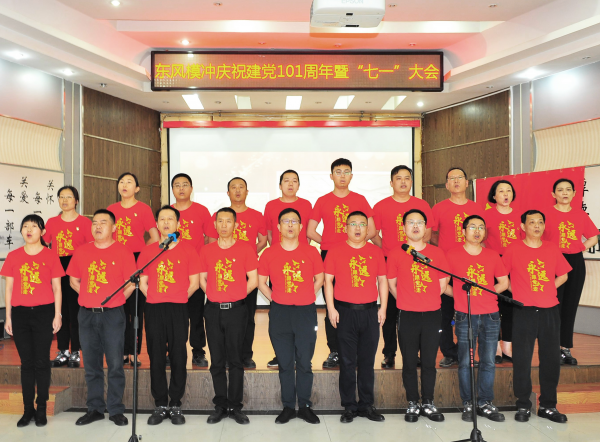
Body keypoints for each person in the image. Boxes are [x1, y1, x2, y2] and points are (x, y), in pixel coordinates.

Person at [67, 209, 137, 427]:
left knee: (115, 364)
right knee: (91, 364)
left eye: (103, 222)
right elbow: (73, 280)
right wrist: (89, 298)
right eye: (94, 222)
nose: (97, 226)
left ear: (114, 227)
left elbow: (131, 283)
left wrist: (117, 300)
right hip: (86, 315)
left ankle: (115, 409)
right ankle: (95, 408)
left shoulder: (123, 251)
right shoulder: (82, 251)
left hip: (113, 315)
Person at [502, 210, 571, 423]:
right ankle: (523, 404)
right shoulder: (513, 249)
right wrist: (517, 293)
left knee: (550, 359)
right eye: (532, 222)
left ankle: (548, 405)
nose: (537, 226)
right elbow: (502, 277)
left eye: (540, 222)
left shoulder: (551, 248)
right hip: (525, 311)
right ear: (523, 226)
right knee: (522, 358)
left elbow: (564, 275)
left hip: (550, 310)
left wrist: (548, 288)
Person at [308, 158, 375, 369]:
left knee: (353, 302)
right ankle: (335, 350)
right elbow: (310, 231)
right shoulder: (322, 200)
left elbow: (372, 230)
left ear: (351, 176)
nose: (342, 175)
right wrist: (329, 244)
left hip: (356, 255)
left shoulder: (360, 199)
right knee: (333, 304)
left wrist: (355, 244)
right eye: (338, 172)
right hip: (330, 255)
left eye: (346, 172)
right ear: (331, 176)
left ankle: (356, 349)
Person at [258, 208, 324, 424]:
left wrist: (308, 295)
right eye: (285, 221)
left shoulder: (311, 251)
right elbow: (261, 281)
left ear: (301, 226)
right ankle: (288, 406)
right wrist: (275, 299)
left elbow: (320, 278)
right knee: (285, 362)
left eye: (294, 221)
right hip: (280, 313)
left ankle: (304, 406)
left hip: (305, 312)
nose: (290, 225)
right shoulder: (269, 253)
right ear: (278, 227)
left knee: (304, 362)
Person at [138, 206, 200, 425]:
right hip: (154, 308)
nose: (166, 223)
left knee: (178, 354)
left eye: (170, 219)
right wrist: (155, 297)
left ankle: (175, 403)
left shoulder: (189, 250)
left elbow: (194, 283)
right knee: (155, 355)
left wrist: (179, 298)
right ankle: (160, 404)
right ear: (156, 224)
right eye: (162, 219)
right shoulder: (148, 251)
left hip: (178, 308)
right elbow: (142, 283)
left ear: (178, 224)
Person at [324, 211, 387, 423]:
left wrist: (383, 308)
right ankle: (349, 406)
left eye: (362, 224)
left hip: (369, 312)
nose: (358, 228)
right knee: (347, 361)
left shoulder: (375, 251)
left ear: (368, 229)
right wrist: (331, 308)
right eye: (353, 224)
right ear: (346, 228)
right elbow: (328, 281)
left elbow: (382, 281)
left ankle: (366, 405)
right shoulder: (335, 251)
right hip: (345, 312)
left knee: (368, 361)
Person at [445, 215, 509, 422]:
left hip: (491, 315)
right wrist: (461, 297)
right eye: (472, 227)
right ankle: (468, 403)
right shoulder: (452, 255)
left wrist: (486, 293)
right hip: (465, 315)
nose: (477, 231)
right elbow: (443, 285)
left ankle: (485, 402)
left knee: (488, 361)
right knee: (465, 361)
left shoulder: (492, 255)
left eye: (481, 227)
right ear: (464, 231)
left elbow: (504, 283)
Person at [387, 209, 448, 423]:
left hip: (432, 314)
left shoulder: (436, 253)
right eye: (411, 222)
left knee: (429, 361)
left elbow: (442, 284)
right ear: (404, 227)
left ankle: (428, 402)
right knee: (409, 362)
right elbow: (392, 285)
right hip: (407, 315)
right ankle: (413, 402)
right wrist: (408, 300)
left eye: (419, 222)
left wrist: (426, 300)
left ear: (425, 227)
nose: (415, 226)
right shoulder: (396, 253)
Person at [2, 214, 63, 428]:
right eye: (25, 226)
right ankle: (27, 409)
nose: (29, 230)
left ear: (42, 232)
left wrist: (57, 314)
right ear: (21, 231)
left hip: (44, 313)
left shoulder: (51, 256)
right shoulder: (13, 256)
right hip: (19, 314)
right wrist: (8, 316)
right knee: (26, 363)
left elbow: (57, 288)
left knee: (42, 361)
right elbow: (8, 289)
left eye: (34, 226)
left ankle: (41, 408)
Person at [200, 208, 258, 425]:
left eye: (228, 221)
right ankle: (220, 405)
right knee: (216, 360)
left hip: (236, 310)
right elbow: (202, 279)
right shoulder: (206, 250)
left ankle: (235, 406)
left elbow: (253, 279)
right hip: (213, 310)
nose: (224, 225)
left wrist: (237, 296)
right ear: (215, 225)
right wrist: (214, 296)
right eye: (220, 221)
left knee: (235, 359)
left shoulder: (245, 249)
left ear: (236, 225)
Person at [372, 165, 433, 369]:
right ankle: (389, 353)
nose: (403, 182)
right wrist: (390, 250)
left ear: (411, 182)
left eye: (407, 178)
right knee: (389, 310)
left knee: (414, 309)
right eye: (399, 178)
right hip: (390, 261)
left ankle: (415, 353)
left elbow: (428, 233)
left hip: (415, 261)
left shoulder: (421, 204)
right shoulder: (381, 206)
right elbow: (373, 234)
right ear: (391, 182)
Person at [207, 177, 266, 369]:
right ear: (228, 192)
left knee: (247, 317)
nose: (238, 190)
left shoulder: (256, 215)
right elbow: (211, 242)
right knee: (220, 320)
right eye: (234, 187)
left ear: (247, 192)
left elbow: (263, 241)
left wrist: (248, 256)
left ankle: (245, 355)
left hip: (247, 272)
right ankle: (224, 356)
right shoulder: (219, 216)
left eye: (241, 187)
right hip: (222, 270)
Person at [431, 167, 483, 368]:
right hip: (445, 268)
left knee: (469, 311)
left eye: (460, 177)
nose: (456, 181)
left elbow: (482, 235)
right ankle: (448, 352)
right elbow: (432, 234)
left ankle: (467, 352)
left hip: (471, 267)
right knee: (444, 313)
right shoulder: (439, 208)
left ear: (467, 183)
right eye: (452, 178)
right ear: (446, 185)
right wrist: (444, 252)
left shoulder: (477, 208)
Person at [107, 172, 159, 367]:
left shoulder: (144, 209)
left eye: (129, 182)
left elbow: (155, 237)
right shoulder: (111, 209)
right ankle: (121, 351)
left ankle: (134, 352)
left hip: (137, 260)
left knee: (136, 310)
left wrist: (142, 255)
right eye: (121, 182)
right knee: (118, 309)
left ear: (137, 188)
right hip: (115, 260)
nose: (124, 185)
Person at [263, 170, 313, 369]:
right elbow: (269, 233)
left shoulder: (306, 205)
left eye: (294, 181)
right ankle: (281, 354)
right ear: (280, 185)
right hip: (278, 261)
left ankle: (301, 355)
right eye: (286, 181)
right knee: (278, 314)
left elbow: (307, 234)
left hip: (301, 261)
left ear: (299, 185)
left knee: (301, 318)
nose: (290, 184)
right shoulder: (271, 205)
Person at [545, 178, 599, 365]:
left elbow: (593, 238)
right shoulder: (545, 214)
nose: (564, 193)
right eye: (560, 190)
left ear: (574, 193)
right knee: (554, 305)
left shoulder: (580, 214)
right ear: (553, 194)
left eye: (568, 189)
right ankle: (552, 347)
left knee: (570, 305)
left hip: (574, 261)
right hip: (552, 261)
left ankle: (564, 347)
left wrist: (578, 248)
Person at [44, 186, 93, 369]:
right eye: (61, 197)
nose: (64, 200)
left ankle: (76, 352)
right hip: (57, 267)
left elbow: (90, 248)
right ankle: (63, 350)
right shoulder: (52, 222)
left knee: (75, 311)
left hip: (77, 268)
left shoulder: (85, 222)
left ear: (76, 201)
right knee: (60, 310)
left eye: (69, 197)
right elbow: (45, 244)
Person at [171, 173, 213, 368]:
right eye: (177, 185)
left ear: (191, 188)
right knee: (173, 313)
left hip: (195, 270)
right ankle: (173, 350)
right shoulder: (168, 211)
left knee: (196, 313)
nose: (181, 188)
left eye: (185, 185)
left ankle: (198, 351)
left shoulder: (201, 210)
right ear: (173, 189)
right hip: (172, 270)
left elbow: (210, 239)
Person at [484, 180, 521, 363]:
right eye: (501, 191)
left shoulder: (521, 216)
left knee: (510, 307)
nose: (506, 194)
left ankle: (507, 347)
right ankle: (496, 347)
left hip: (514, 264)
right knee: (493, 306)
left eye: (509, 191)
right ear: (494, 195)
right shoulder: (486, 216)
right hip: (493, 263)